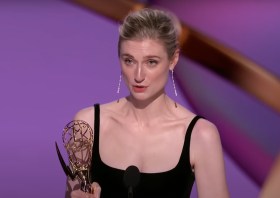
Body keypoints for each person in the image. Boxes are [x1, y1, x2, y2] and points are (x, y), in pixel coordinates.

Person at [65, 8, 229, 198]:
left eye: (151, 62)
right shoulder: (88, 125)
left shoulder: (201, 135)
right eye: (129, 61)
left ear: (173, 59)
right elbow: (73, 193)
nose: (138, 75)